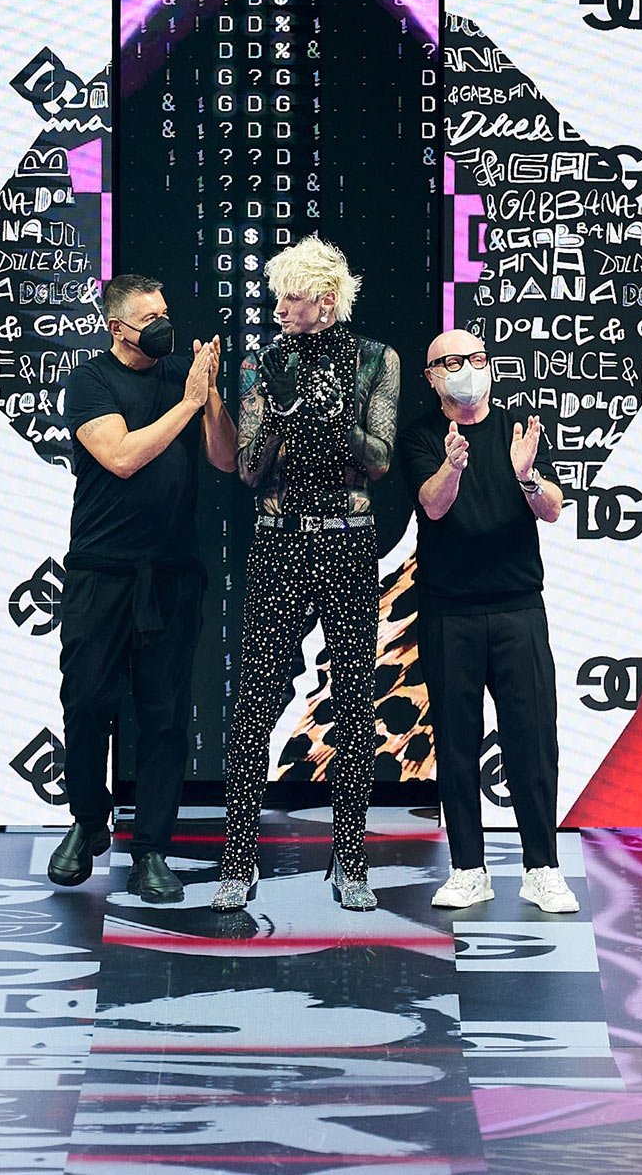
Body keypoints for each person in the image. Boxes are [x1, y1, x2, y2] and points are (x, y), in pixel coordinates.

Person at [211, 235, 400, 913]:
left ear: (323, 300)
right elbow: (247, 470)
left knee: (354, 704)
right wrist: (281, 414)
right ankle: (237, 861)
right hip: (279, 541)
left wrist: (324, 414)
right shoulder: (264, 363)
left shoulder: (378, 359)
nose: (279, 308)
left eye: (290, 297)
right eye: (278, 296)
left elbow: (378, 459)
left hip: (348, 542)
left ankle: (351, 860)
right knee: (254, 701)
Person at [47, 274, 236, 896]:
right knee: (87, 702)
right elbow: (122, 456)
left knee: (165, 715)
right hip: (101, 572)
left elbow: (224, 458)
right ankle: (87, 820)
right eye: (150, 318)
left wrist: (209, 396)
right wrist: (186, 403)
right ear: (117, 327)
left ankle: (151, 848)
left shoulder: (184, 374)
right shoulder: (91, 380)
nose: (164, 325)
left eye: (165, 312)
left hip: (172, 574)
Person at [398, 328, 579, 914]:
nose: (468, 369)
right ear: (432, 377)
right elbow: (433, 505)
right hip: (449, 610)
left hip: (518, 608)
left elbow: (552, 509)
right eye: (452, 362)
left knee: (533, 738)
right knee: (455, 741)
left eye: (476, 358)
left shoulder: (519, 428)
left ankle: (542, 868)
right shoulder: (420, 435)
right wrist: (452, 466)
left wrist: (526, 476)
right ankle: (468, 869)